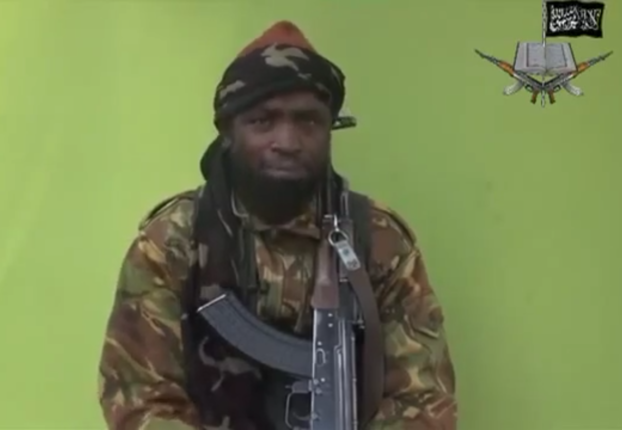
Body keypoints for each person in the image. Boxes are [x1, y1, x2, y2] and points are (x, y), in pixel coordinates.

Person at [98, 20, 457, 430]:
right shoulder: (174, 240)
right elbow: (140, 399)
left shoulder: (377, 241)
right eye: (263, 121)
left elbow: (424, 401)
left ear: (330, 129)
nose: (287, 142)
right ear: (228, 130)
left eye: (308, 121)